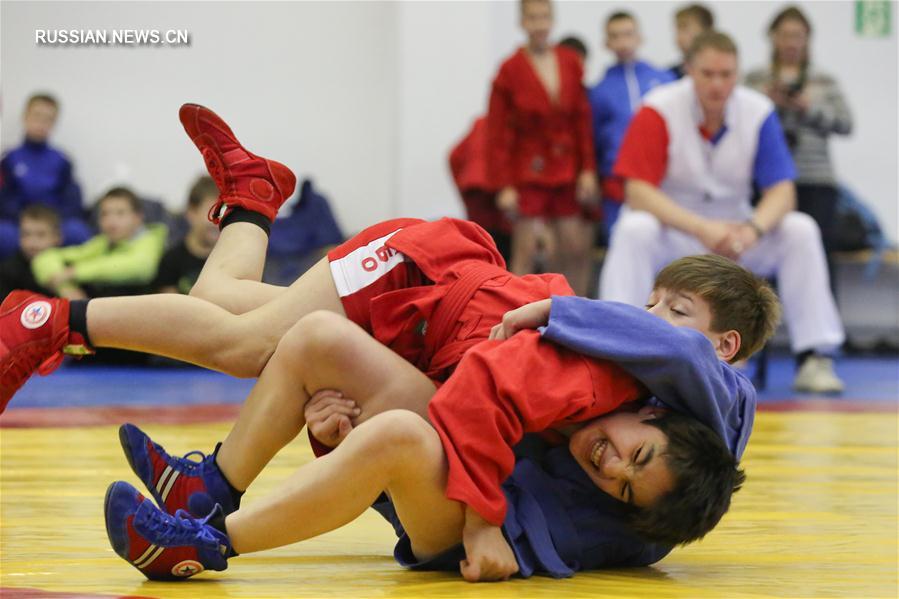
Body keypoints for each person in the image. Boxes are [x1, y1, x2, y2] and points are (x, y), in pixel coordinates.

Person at [1, 103, 769, 580]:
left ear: (725, 345)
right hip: (424, 281)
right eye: (651, 306)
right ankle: (55, 324)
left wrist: (363, 450)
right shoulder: (633, 372)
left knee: (238, 318)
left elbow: (658, 375)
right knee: (248, 336)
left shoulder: (676, 414)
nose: (648, 320)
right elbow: (497, 408)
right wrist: (559, 321)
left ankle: (248, 205)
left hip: (436, 320)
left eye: (673, 312)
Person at [598, 31, 845, 394]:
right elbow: (637, 191)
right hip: (677, 232)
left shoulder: (757, 110)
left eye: (726, 74)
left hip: (735, 237)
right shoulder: (658, 107)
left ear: (737, 72)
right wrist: (700, 227)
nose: (718, 83)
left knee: (799, 229)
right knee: (635, 228)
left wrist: (753, 230)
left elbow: (782, 191)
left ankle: (815, 354)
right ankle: (616, 346)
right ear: (689, 70)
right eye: (708, 73)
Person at [486, 0, 598, 296]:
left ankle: (577, 312)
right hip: (528, 171)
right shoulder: (509, 69)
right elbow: (496, 132)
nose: (539, 24)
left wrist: (587, 169)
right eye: (532, 18)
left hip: (567, 168)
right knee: (525, 249)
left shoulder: (569, 61)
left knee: (574, 247)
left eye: (544, 17)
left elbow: (582, 120)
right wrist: (504, 186)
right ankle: (511, 313)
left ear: (553, 20)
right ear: (522, 23)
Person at [744, 6, 852, 259]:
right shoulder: (755, 79)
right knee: (761, 253)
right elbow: (737, 119)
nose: (791, 42)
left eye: (798, 35)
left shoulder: (825, 80)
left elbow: (846, 124)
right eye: (785, 34)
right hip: (766, 179)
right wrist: (765, 103)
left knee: (819, 253)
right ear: (772, 37)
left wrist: (809, 108)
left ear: (807, 39)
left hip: (815, 178)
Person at [589, 11, 674, 237]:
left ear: (639, 37)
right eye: (615, 36)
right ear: (606, 43)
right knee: (622, 243)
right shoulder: (600, 91)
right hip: (617, 187)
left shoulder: (665, 80)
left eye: (628, 34)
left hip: (663, 181)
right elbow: (594, 140)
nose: (623, 42)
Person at [29, 186, 167, 300]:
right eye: (105, 214)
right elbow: (45, 257)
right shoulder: (102, 242)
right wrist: (67, 289)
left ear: (138, 217)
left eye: (120, 213)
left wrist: (75, 273)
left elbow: (140, 267)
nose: (111, 221)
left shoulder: (150, 240)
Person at [0, 93, 90, 259]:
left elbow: (72, 198)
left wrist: (48, 226)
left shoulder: (62, 160)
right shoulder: (9, 158)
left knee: (77, 232)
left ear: (54, 123)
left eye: (48, 119)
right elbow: (5, 198)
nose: (41, 123)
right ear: (25, 117)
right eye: (37, 116)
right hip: (18, 224)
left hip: (54, 223)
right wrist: (29, 225)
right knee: (3, 235)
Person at [154, 176, 220, 294]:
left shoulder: (231, 258)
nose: (218, 221)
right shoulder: (171, 260)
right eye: (213, 212)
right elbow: (170, 307)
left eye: (225, 212)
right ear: (191, 213)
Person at [0, 204, 61, 298]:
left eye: (41, 235)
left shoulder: (69, 267)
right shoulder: (7, 272)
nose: (32, 243)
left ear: (57, 237)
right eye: (26, 234)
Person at [668, 4, 714, 80]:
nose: (678, 35)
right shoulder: (669, 75)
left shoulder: (722, 71)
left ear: (705, 31)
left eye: (684, 28)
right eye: (677, 29)